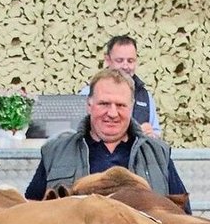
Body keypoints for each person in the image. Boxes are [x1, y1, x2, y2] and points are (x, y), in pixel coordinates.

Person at [25, 68, 189, 207]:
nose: (112, 113)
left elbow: (182, 216)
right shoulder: (55, 152)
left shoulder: (158, 153)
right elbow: (30, 214)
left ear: (131, 107)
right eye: (104, 104)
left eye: (120, 105)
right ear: (89, 105)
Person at [79, 35, 161, 137]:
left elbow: (156, 134)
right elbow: (79, 131)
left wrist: (151, 135)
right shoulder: (88, 93)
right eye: (119, 60)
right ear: (107, 60)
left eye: (130, 61)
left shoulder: (145, 97)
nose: (125, 66)